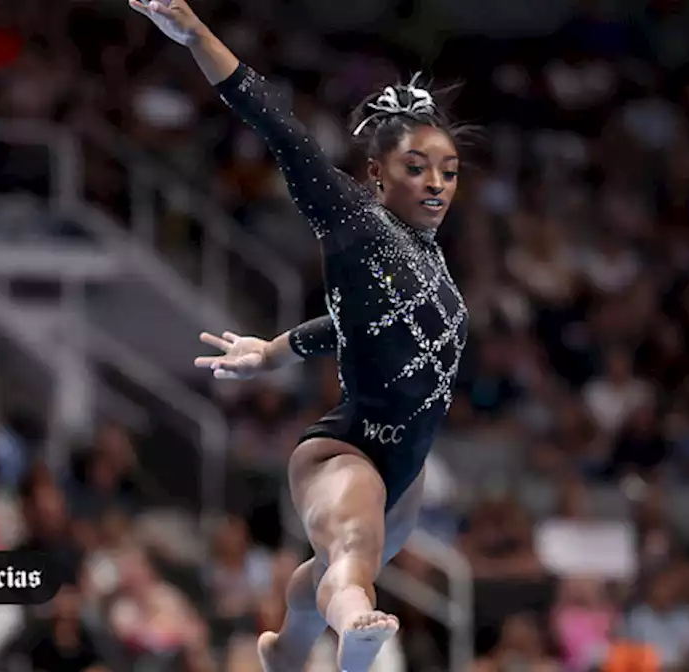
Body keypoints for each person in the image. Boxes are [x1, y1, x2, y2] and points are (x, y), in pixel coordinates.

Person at [128, 1, 470, 670]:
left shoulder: (429, 256)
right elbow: (281, 130)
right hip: (347, 450)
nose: (435, 184)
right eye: (416, 168)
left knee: (330, 565)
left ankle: (285, 650)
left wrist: (274, 350)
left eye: (448, 170)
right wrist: (198, 35)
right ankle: (358, 637)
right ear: (377, 174)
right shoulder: (355, 221)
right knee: (351, 560)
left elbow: (359, 327)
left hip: (408, 470)